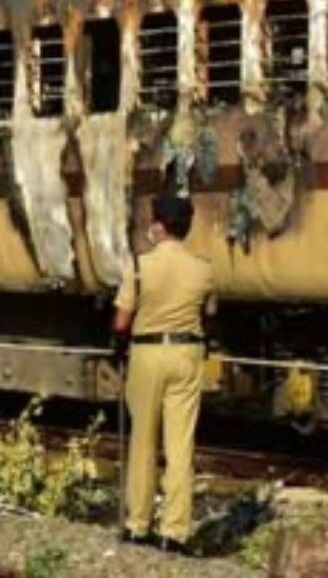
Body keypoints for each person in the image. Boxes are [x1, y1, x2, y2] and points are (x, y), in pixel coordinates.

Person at [113, 195, 216, 554]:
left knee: (142, 441)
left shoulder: (140, 266)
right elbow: (210, 314)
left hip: (146, 353)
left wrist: (116, 345)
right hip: (187, 354)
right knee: (180, 445)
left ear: (158, 225)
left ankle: (138, 525)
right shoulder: (203, 269)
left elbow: (122, 321)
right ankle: (175, 532)